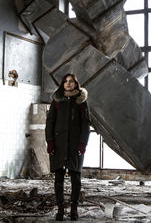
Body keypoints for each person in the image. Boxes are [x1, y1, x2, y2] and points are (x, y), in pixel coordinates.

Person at [45, 73, 90, 221]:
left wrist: (83, 143)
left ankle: (74, 209)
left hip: (75, 145)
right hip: (58, 144)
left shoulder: (81, 101)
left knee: (75, 177)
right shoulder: (57, 100)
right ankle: (60, 208)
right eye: (66, 81)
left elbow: (85, 124)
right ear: (62, 84)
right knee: (58, 178)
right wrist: (50, 141)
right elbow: (50, 122)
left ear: (76, 84)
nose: (68, 83)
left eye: (71, 81)